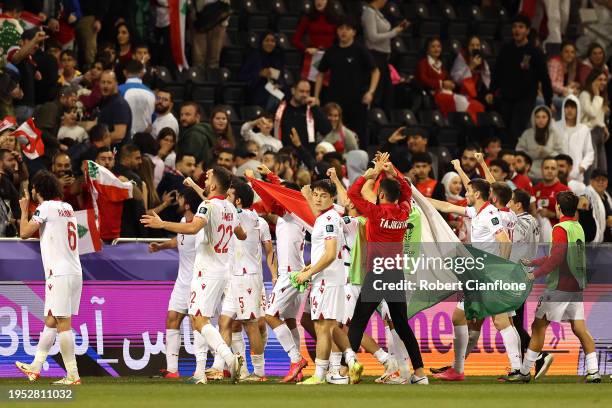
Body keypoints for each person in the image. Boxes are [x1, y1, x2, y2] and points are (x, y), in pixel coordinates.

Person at [141, 166, 246, 384]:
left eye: (208, 178)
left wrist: (161, 224)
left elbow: (193, 228)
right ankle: (200, 373)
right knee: (198, 318)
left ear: (215, 185)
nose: (205, 180)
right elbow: (241, 234)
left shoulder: (207, 206)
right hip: (223, 270)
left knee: (199, 320)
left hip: (206, 271)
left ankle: (229, 358)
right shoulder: (229, 208)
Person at [346, 154, 427, 385]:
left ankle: (345, 370)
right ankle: (420, 373)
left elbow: (353, 195)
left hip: (377, 273)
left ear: (381, 194)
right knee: (401, 324)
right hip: (396, 272)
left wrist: (371, 173)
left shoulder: (375, 212)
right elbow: (407, 191)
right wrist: (393, 171)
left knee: (359, 321)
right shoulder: (404, 211)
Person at [428, 176, 518, 382]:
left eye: (468, 191)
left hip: (489, 275)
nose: (465, 194)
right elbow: (445, 206)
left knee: (501, 320)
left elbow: (504, 241)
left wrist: (500, 269)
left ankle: (517, 370)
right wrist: (416, 196)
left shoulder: (490, 214)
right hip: (479, 275)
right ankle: (458, 369)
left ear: (477, 194)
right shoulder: (476, 211)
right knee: (464, 318)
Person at [508, 191, 602, 383]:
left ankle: (524, 371)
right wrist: (533, 262)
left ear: (558, 208)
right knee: (579, 328)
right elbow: (558, 255)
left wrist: (533, 274)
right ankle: (594, 371)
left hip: (559, 286)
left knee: (538, 326)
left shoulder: (559, 228)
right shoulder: (578, 227)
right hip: (576, 286)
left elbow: (557, 259)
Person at [15, 171, 82, 385]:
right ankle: (35, 367)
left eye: (33, 188)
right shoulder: (68, 207)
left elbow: (25, 232)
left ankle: (72, 375)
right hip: (74, 271)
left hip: (59, 273)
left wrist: (24, 210)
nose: (32, 191)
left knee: (63, 323)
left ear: (38, 189)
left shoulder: (45, 208)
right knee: (52, 320)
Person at [294, 179, 362, 385]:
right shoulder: (327, 217)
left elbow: (331, 253)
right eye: (315, 194)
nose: (317, 198)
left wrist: (309, 272)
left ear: (332, 198)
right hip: (332, 277)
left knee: (322, 327)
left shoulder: (329, 219)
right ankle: (349, 362)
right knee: (332, 326)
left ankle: (319, 374)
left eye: (323, 195)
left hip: (327, 280)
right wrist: (310, 267)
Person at [219, 181, 275, 382]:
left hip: (248, 277)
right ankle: (231, 366)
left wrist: (273, 273)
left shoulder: (248, 217)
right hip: (234, 277)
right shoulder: (235, 215)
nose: (225, 199)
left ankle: (259, 373)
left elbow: (214, 201)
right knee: (225, 321)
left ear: (239, 201)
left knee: (251, 324)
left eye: (230, 195)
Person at [148, 188, 203, 378]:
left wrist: (162, 223)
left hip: (201, 282)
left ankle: (203, 369)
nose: (177, 200)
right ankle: (172, 370)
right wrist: (161, 246)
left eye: (180, 197)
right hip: (182, 282)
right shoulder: (182, 222)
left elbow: (189, 231)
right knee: (172, 318)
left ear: (187, 204)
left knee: (199, 325)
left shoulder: (200, 224)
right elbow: (180, 238)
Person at [486, 14, 553, 147]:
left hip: (525, 99)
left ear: (528, 31)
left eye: (521, 27)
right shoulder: (506, 49)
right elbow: (497, 73)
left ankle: (512, 159)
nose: (517, 30)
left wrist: (548, 101)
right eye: (515, 27)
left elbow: (545, 78)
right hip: (507, 98)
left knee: (515, 130)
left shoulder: (535, 52)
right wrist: (491, 91)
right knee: (504, 130)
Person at [314, 19, 379, 148]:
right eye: (341, 28)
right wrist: (316, 95)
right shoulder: (331, 51)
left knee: (359, 134)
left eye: (347, 29)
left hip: (357, 100)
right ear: (337, 31)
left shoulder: (360, 50)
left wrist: (370, 92)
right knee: (332, 133)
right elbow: (320, 73)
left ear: (354, 32)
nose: (344, 32)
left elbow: (375, 71)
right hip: (335, 100)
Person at [416, 37, 484, 124]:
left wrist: (452, 84)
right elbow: (423, 79)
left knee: (477, 105)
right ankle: (462, 124)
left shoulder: (442, 64)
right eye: (433, 47)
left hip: (448, 93)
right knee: (461, 101)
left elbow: (450, 80)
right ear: (427, 50)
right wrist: (441, 84)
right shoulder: (423, 63)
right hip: (435, 94)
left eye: (438, 46)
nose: (436, 49)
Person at [361, 0, 408, 116]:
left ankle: (384, 122)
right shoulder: (369, 12)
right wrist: (394, 32)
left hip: (383, 58)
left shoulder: (378, 13)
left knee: (387, 95)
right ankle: (374, 120)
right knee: (378, 94)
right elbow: (372, 37)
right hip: (374, 55)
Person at [274, 80, 332, 153]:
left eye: (307, 92)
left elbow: (326, 130)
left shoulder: (313, 109)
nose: (305, 95)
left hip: (307, 156)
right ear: (293, 91)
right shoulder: (281, 108)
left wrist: (315, 108)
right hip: (284, 155)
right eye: (301, 91)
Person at [291, 0, 338, 82]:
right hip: (312, 57)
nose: (318, 1)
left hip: (329, 56)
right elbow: (295, 40)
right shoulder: (308, 18)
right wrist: (305, 49)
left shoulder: (335, 18)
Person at [239, 32, 285, 111]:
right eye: (267, 41)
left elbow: (282, 78)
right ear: (261, 42)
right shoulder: (254, 56)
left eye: (272, 41)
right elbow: (242, 76)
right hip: (257, 90)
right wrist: (259, 74)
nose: (270, 43)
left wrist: (279, 85)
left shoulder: (277, 58)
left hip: (274, 91)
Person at [516, 106, 564, 180]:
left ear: (549, 119)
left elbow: (561, 153)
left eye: (544, 117)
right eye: (538, 117)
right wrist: (532, 153)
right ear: (533, 118)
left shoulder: (554, 134)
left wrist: (548, 153)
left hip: (549, 173)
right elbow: (519, 151)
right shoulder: (527, 133)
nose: (540, 120)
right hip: (530, 173)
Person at [555, 95, 594, 183]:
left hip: (577, 177)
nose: (569, 110)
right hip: (557, 176)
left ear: (578, 109)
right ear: (563, 109)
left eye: (572, 107)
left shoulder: (584, 129)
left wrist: (581, 168)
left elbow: (589, 152)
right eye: (567, 107)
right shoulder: (555, 127)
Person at [579, 68, 610, 172]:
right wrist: (596, 95)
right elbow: (592, 113)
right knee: (593, 168)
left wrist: (603, 126)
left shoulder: (601, 96)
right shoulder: (585, 95)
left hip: (599, 133)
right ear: (592, 80)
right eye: (599, 79)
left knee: (603, 169)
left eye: (605, 80)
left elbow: (598, 117)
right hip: (589, 132)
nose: (603, 82)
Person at [450, 35, 492, 107]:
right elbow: (457, 81)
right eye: (472, 45)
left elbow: (487, 79)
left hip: (478, 92)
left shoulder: (482, 59)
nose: (475, 48)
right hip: (463, 93)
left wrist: (488, 93)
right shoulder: (461, 57)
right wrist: (471, 67)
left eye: (477, 45)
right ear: (467, 46)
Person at [119, 59, 155, 135]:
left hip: (123, 138)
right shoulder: (151, 94)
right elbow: (154, 119)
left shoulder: (118, 91)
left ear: (125, 72)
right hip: (144, 139)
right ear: (142, 73)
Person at [97, 70, 132, 148]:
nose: (105, 86)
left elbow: (119, 134)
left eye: (109, 82)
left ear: (116, 84)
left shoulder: (119, 104)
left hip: (117, 152)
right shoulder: (105, 101)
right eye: (103, 82)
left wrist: (99, 143)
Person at [532, 157, 570, 226]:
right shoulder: (534, 189)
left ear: (557, 170)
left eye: (553, 168)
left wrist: (552, 214)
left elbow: (572, 216)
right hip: (537, 232)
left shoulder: (565, 190)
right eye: (546, 168)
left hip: (557, 232)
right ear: (541, 170)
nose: (549, 171)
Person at [176, 102, 215, 166]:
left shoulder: (194, 134)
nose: (183, 118)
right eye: (181, 115)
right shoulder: (197, 131)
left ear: (197, 117)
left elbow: (188, 160)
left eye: (187, 114)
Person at [547, 41, 581, 114]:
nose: (570, 54)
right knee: (570, 105)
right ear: (561, 52)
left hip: (560, 95)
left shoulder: (571, 65)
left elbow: (567, 84)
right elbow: (550, 84)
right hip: (549, 95)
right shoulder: (554, 62)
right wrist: (567, 90)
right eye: (566, 52)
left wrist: (574, 86)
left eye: (572, 52)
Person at [588, 169, 612, 243]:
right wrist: (605, 222)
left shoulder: (607, 197)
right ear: (591, 182)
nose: (601, 182)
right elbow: (587, 222)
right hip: (592, 243)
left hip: (607, 242)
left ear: (607, 182)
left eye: (603, 180)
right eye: (597, 180)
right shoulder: (587, 197)